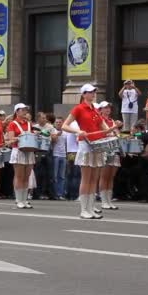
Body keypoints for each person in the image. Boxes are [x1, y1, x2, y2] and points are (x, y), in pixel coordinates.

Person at [62, 84, 121, 219]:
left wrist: (113, 129)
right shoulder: (78, 109)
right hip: (86, 145)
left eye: (94, 92)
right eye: (90, 92)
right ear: (83, 94)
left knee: (94, 179)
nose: (93, 94)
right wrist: (78, 131)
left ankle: (90, 208)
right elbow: (65, 126)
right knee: (86, 178)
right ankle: (84, 209)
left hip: (97, 146)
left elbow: (104, 128)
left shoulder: (95, 110)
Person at [6, 103, 36, 209]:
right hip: (18, 150)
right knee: (19, 176)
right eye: (22, 110)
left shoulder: (29, 123)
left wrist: (35, 135)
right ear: (17, 111)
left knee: (27, 177)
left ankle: (24, 199)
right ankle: (18, 200)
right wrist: (19, 138)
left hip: (29, 151)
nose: (25, 112)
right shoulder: (12, 124)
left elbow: (32, 135)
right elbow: (10, 139)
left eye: (25, 110)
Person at [97, 101, 121, 210]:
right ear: (100, 110)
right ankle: (103, 201)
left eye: (108, 108)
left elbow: (117, 134)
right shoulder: (99, 120)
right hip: (104, 149)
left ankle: (109, 200)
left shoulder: (112, 121)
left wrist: (117, 133)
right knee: (104, 175)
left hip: (114, 149)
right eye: (105, 108)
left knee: (111, 176)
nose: (107, 109)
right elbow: (101, 133)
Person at [51, 116, 67, 200]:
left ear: (63, 123)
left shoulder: (65, 132)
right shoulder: (53, 131)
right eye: (56, 122)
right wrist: (57, 135)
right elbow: (52, 141)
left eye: (60, 122)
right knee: (55, 176)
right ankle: (55, 194)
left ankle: (60, 193)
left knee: (62, 176)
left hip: (63, 155)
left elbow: (66, 144)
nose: (58, 123)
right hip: (55, 155)